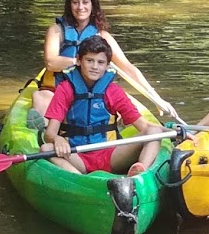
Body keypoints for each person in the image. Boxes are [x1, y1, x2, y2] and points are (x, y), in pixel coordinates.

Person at [31, 0, 176, 121]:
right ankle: (44, 132)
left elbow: (128, 68)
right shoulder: (56, 30)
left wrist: (156, 98)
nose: (80, 7)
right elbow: (50, 63)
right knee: (41, 98)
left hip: (92, 93)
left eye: (85, 2)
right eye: (75, 2)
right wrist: (81, 62)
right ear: (70, 5)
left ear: (92, 5)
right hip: (57, 89)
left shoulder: (103, 36)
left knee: (113, 101)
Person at [40, 35, 168, 176]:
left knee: (154, 133)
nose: (95, 67)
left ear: (107, 66)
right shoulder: (65, 89)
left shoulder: (113, 91)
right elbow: (49, 134)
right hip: (77, 156)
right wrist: (57, 139)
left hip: (111, 155)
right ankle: (80, 180)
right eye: (89, 61)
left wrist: (171, 132)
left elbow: (145, 127)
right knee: (47, 148)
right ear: (78, 60)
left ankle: (139, 175)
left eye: (101, 62)